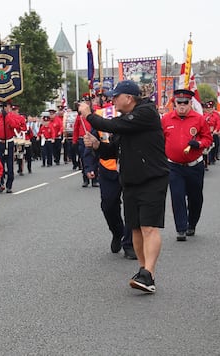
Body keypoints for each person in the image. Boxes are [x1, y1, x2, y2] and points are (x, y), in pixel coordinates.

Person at [80, 80, 168, 293]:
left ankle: (149, 273)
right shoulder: (124, 121)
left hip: (152, 178)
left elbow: (113, 126)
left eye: (116, 96)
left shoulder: (146, 113)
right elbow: (113, 150)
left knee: (149, 226)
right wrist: (97, 145)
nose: (112, 100)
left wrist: (89, 115)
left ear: (129, 98)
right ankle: (142, 270)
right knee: (135, 227)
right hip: (130, 179)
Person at [161, 89, 212, 241]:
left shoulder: (199, 119)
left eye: (185, 103)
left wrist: (199, 143)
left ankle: (192, 224)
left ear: (191, 103)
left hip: (194, 165)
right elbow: (159, 139)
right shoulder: (166, 119)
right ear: (174, 104)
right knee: (177, 197)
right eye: (179, 103)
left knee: (195, 198)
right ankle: (181, 228)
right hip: (174, 166)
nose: (182, 106)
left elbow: (208, 139)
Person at [90, 100, 136, 259]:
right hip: (108, 168)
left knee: (131, 207)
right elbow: (92, 140)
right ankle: (118, 232)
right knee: (108, 205)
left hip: (129, 168)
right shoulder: (101, 116)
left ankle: (130, 244)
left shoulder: (135, 115)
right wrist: (89, 166)